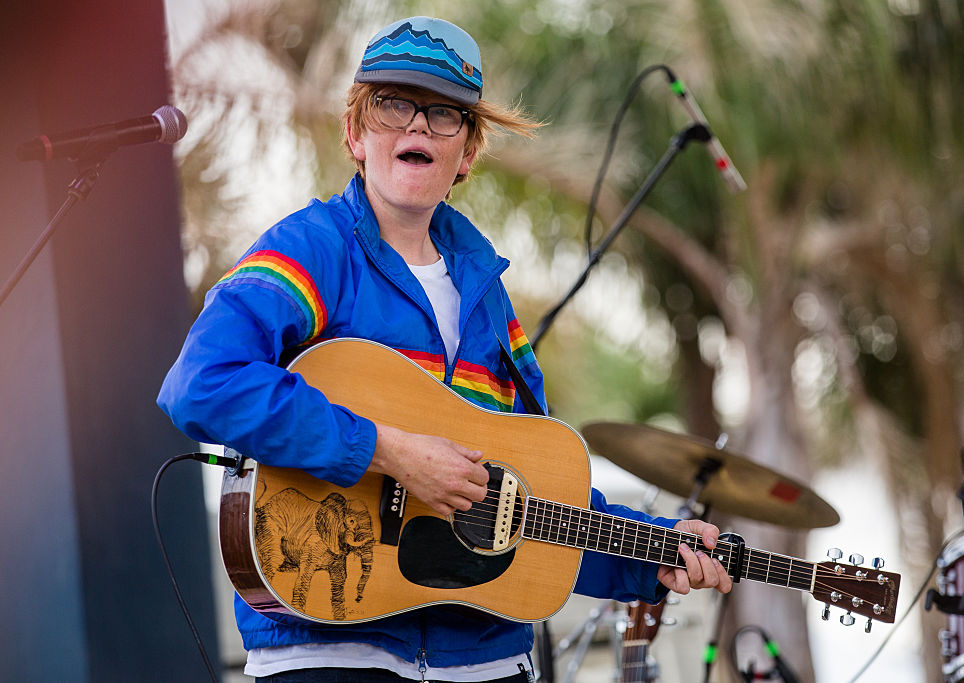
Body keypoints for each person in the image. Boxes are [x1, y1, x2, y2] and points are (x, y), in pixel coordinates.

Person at [158, 15, 732, 683]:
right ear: (355, 132)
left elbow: (528, 491)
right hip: (331, 654)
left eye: (443, 113)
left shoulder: (489, 297)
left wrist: (652, 555)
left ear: (466, 153)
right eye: (392, 104)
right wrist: (389, 451)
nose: (417, 126)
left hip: (485, 662)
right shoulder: (311, 250)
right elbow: (201, 381)